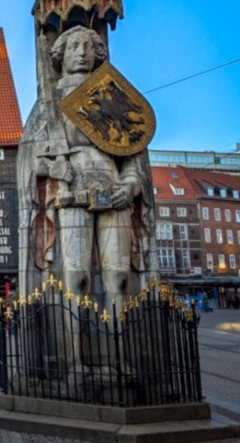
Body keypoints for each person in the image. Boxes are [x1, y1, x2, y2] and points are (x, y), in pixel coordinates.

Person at [18, 25, 153, 311]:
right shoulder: (50, 103)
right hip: (72, 192)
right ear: (61, 55)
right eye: (74, 47)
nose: (81, 53)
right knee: (76, 278)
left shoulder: (110, 95)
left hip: (114, 188)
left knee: (118, 277)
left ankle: (118, 351)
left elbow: (131, 155)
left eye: (87, 46)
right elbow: (30, 157)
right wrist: (53, 170)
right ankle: (73, 353)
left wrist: (129, 187)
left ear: (98, 53)